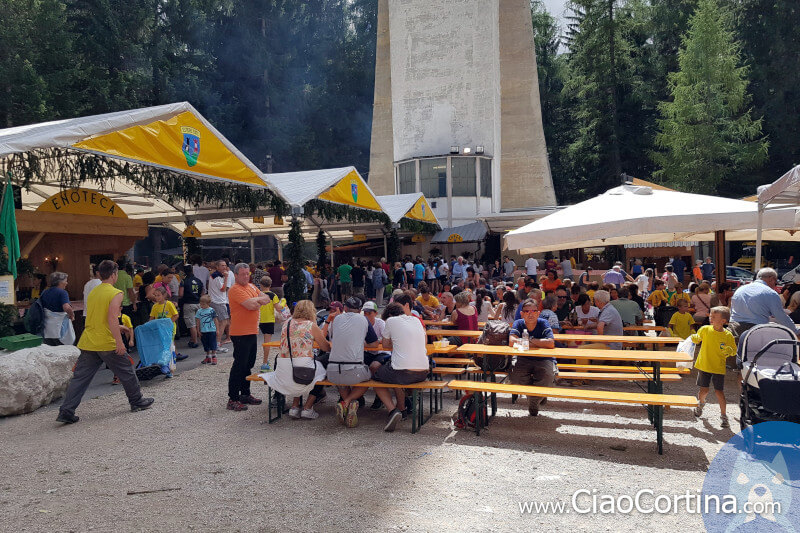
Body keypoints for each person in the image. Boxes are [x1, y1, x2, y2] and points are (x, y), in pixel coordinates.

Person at [57, 260, 154, 423]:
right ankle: (136, 400)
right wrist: (119, 342)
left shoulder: (94, 291)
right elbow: (110, 317)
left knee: (80, 378)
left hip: (89, 340)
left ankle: (66, 410)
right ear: (114, 274)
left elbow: (98, 316)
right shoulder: (115, 293)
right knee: (127, 372)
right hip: (106, 341)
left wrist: (120, 326)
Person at [263, 300, 330, 420]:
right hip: (302, 368)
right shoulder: (311, 325)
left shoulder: (287, 323)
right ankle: (307, 408)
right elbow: (325, 347)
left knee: (301, 371)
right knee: (321, 373)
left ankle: (294, 407)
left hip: (283, 367)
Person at [323, 297, 379, 428]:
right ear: (360, 310)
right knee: (369, 379)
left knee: (341, 379)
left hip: (332, 370)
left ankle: (346, 406)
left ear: (345, 308)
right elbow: (375, 344)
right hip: (354, 370)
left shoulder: (336, 319)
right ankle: (347, 402)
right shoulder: (363, 319)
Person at [374, 302, 430, 432]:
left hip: (403, 372)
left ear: (389, 315)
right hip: (423, 372)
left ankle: (392, 410)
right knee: (395, 373)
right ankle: (402, 409)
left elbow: (386, 346)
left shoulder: (391, 321)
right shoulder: (416, 321)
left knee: (375, 378)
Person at [225, 263, 271, 411]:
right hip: (240, 333)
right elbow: (252, 305)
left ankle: (245, 393)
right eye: (243, 274)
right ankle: (233, 398)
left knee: (248, 365)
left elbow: (267, 298)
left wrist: (256, 302)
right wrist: (258, 302)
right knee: (239, 365)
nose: (246, 276)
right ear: (236, 275)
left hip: (251, 331)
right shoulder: (235, 289)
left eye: (247, 273)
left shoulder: (251, 286)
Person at [509, 298, 555, 416]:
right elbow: (511, 341)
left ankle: (534, 400)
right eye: (527, 311)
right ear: (522, 313)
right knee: (515, 378)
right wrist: (539, 342)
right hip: (523, 358)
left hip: (543, 358)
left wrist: (529, 340)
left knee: (548, 377)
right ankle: (537, 396)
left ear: (538, 313)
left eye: (534, 311)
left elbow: (550, 343)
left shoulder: (543, 323)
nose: (530, 314)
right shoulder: (518, 323)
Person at [691, 306, 736, 428]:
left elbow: (733, 351)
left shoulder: (728, 335)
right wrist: (693, 337)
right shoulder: (705, 329)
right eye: (710, 316)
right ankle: (700, 404)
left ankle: (723, 416)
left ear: (723, 321)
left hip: (718, 368)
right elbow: (697, 338)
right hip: (704, 365)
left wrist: (729, 350)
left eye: (714, 317)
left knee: (719, 391)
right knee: (703, 390)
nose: (711, 318)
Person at [730, 267, 798, 340]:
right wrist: (795, 331)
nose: (775, 286)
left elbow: (732, 310)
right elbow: (781, 317)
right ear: (771, 279)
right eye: (776, 283)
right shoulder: (770, 293)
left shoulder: (740, 289)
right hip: (754, 331)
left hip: (733, 328)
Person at [40, 272, 76, 345]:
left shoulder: (44, 292)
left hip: (47, 329)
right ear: (60, 282)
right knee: (64, 351)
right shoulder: (63, 293)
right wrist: (71, 315)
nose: (67, 283)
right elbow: (66, 307)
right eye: (65, 281)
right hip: (59, 328)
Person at [208, 260, 232, 351]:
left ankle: (215, 343)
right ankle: (217, 344)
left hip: (216, 300)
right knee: (223, 322)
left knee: (219, 322)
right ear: (217, 267)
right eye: (222, 265)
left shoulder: (215, 276)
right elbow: (223, 289)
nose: (224, 267)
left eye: (225, 265)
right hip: (218, 302)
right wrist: (226, 278)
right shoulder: (217, 277)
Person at [179, 264, 203, 348]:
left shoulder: (183, 281)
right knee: (198, 323)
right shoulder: (198, 280)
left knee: (192, 324)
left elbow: (181, 294)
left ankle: (195, 341)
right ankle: (200, 339)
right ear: (192, 270)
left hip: (188, 304)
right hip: (198, 303)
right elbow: (202, 293)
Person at [257, 276, 282, 345]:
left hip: (258, 319)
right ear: (270, 285)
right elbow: (278, 308)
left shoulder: (258, 294)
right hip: (269, 319)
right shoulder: (273, 295)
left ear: (261, 284)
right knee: (267, 342)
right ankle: (265, 356)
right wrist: (283, 304)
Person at [196, 295, 218, 365]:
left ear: (208, 303)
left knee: (213, 343)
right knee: (205, 344)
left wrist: (217, 329)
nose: (201, 305)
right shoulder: (199, 311)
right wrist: (198, 330)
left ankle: (214, 356)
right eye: (201, 304)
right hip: (203, 330)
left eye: (203, 304)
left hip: (211, 330)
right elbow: (198, 321)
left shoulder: (211, 310)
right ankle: (208, 356)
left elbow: (215, 320)